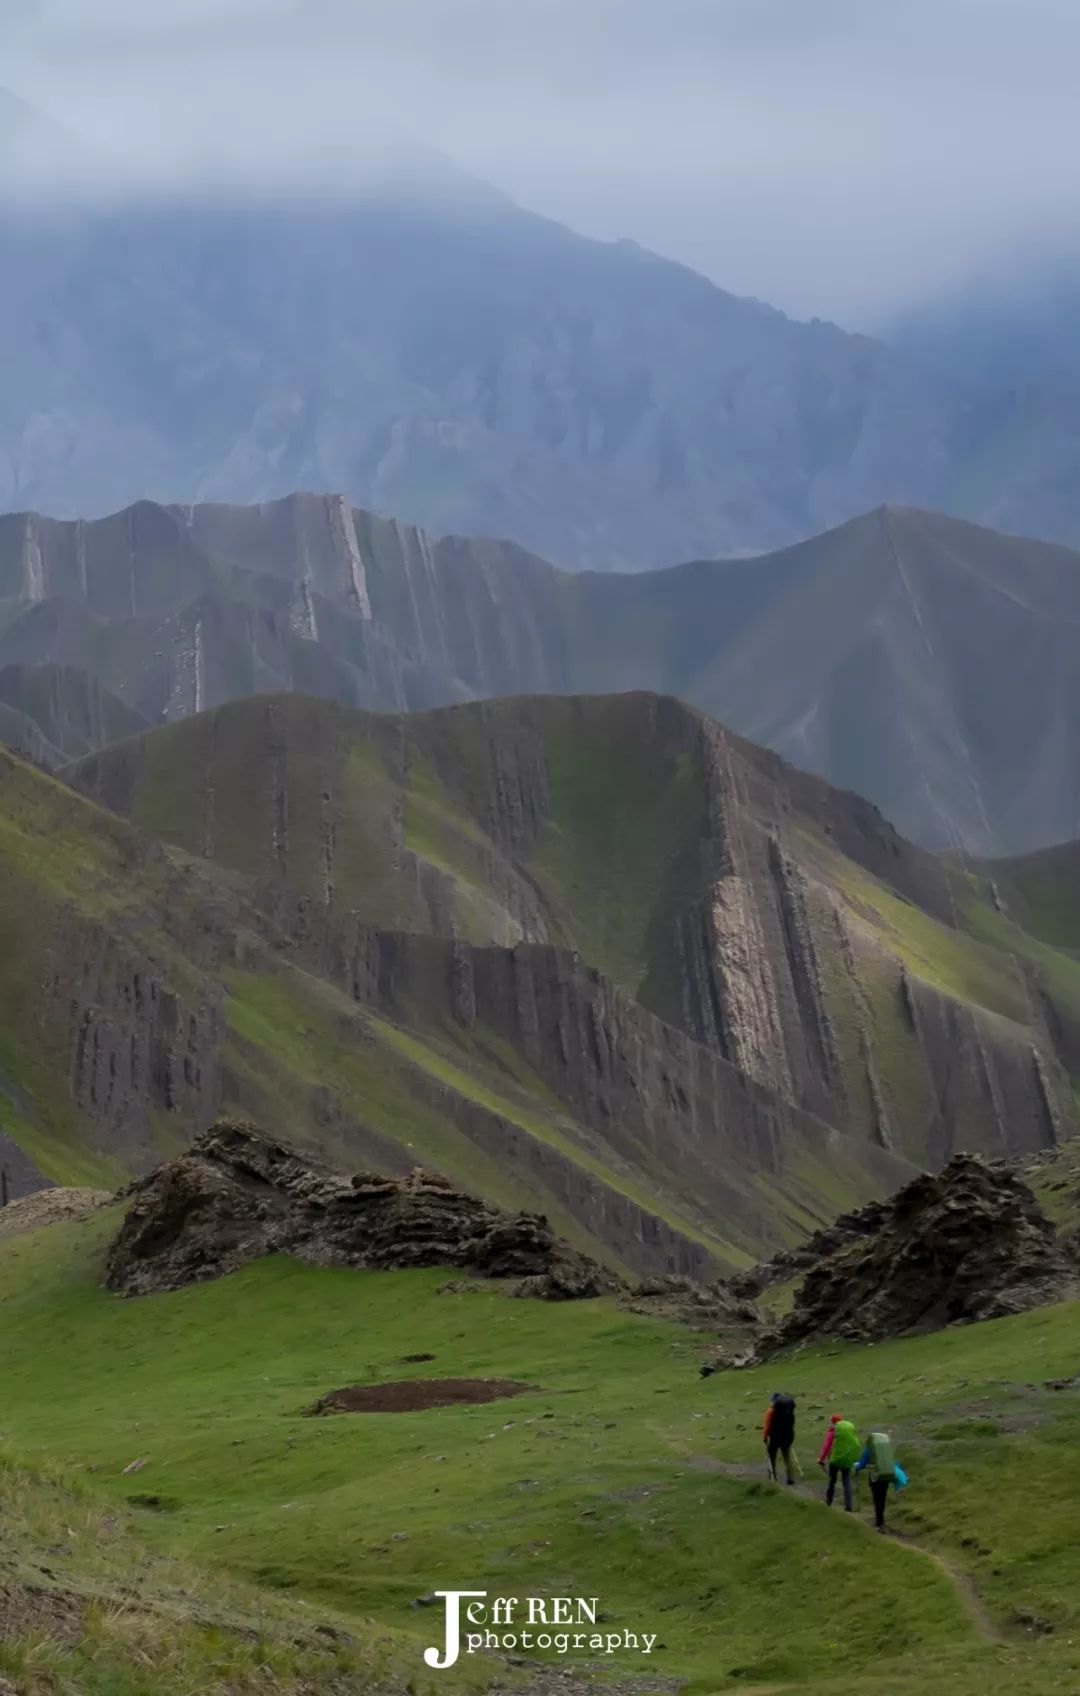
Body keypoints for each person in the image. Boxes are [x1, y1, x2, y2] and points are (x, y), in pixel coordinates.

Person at [854, 1429, 902, 1532]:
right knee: (882, 1499)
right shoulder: (886, 1449)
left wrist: (857, 1466)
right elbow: (893, 1461)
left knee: (877, 1499)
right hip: (886, 1477)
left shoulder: (869, 1449)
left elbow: (862, 1464)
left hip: (875, 1477)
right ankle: (881, 1521)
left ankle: (879, 1523)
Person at [818, 1412, 860, 1511]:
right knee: (846, 1481)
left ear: (833, 1422)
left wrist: (821, 1459)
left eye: (830, 1422)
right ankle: (848, 1505)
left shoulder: (832, 1431)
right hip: (847, 1459)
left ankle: (828, 1502)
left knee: (832, 1480)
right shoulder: (847, 1430)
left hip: (835, 1459)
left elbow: (826, 1447)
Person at [763, 1391, 797, 1484]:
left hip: (775, 1438)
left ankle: (773, 1476)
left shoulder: (771, 1411)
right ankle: (790, 1478)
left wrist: (765, 1437)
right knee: (787, 1457)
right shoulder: (789, 1409)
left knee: (772, 1456)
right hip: (788, 1436)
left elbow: (767, 1426)